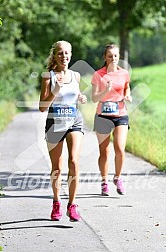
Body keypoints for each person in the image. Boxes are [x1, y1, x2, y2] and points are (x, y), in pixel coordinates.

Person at [39, 40, 87, 221]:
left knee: (74, 161)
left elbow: (73, 97)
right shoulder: (47, 76)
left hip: (74, 121)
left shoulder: (76, 76)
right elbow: (42, 107)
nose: (64, 56)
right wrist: (55, 90)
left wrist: (80, 97)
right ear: (55, 56)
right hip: (54, 124)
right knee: (57, 168)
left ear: (71, 55)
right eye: (60, 53)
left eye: (66, 53)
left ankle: (72, 205)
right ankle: (57, 202)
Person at [91, 44, 132, 196]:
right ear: (105, 58)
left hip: (120, 114)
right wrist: (106, 91)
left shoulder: (124, 73)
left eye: (115, 56)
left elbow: (126, 87)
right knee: (104, 152)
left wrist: (127, 95)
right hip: (103, 115)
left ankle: (118, 178)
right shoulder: (98, 75)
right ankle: (104, 182)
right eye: (110, 56)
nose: (113, 59)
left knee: (120, 148)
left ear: (119, 56)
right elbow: (94, 98)